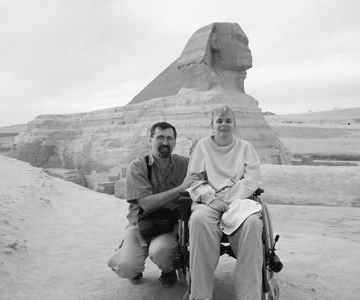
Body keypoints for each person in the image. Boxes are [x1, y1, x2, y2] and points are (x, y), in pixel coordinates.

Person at [107, 121, 198, 288]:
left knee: (160, 252)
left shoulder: (185, 165)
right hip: (140, 224)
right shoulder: (137, 167)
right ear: (150, 140)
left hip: (168, 225)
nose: (165, 142)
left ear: (175, 142)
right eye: (160, 137)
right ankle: (128, 258)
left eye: (169, 138)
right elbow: (146, 204)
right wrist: (181, 188)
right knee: (126, 268)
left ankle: (168, 271)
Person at [187, 105, 264, 300]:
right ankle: (201, 295)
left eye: (228, 121)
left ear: (234, 124)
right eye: (219, 121)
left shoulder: (245, 147)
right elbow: (194, 178)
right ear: (211, 125)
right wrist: (210, 198)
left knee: (253, 224)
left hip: (239, 201)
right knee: (198, 221)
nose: (224, 125)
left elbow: (253, 180)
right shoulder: (203, 146)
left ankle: (249, 296)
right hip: (208, 202)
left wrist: (228, 197)